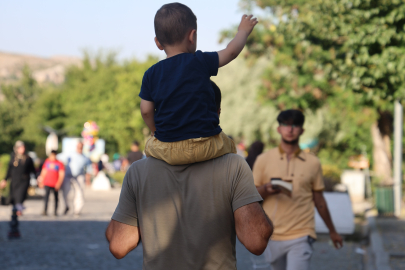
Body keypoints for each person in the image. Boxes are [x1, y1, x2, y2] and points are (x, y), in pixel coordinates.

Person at [140, 3, 258, 165]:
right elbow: (231, 52)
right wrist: (243, 31)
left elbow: (146, 111)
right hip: (206, 145)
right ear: (192, 36)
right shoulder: (200, 61)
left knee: (150, 146)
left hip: (167, 149)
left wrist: (155, 132)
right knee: (229, 145)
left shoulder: (150, 74)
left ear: (158, 42)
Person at [253, 109, 343, 270]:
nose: (290, 129)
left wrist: (333, 231)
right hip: (271, 234)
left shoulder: (313, 162)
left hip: (302, 233)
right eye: (285, 125)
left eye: (295, 125)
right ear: (278, 129)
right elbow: (250, 197)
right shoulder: (263, 160)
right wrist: (266, 189)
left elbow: (319, 200)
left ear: (302, 130)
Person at [0, 141, 36, 216]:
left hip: (24, 181)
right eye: (20, 147)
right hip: (14, 180)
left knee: (21, 195)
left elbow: (33, 170)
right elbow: (9, 170)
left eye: (23, 147)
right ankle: (15, 209)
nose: (22, 149)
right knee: (14, 196)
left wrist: (37, 178)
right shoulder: (13, 157)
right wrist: (5, 180)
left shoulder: (28, 158)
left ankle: (19, 209)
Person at [57, 142, 91, 215]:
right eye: (78, 146)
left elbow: (88, 169)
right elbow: (57, 158)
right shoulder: (70, 154)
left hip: (79, 175)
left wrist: (88, 179)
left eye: (81, 146)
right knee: (65, 192)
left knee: (80, 193)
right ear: (76, 147)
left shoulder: (85, 158)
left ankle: (77, 210)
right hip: (68, 175)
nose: (79, 148)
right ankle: (66, 206)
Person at [37, 150, 65, 216]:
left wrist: (59, 183)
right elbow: (43, 172)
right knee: (46, 197)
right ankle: (45, 210)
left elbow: (61, 174)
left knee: (56, 198)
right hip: (47, 183)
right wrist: (41, 181)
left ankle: (55, 211)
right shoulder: (47, 162)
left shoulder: (59, 163)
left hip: (55, 183)